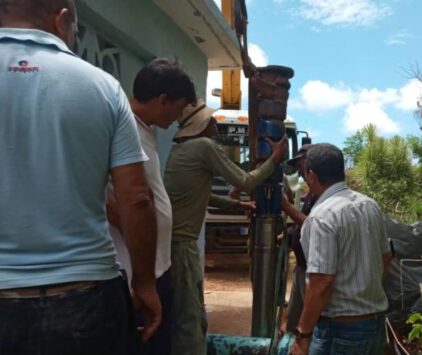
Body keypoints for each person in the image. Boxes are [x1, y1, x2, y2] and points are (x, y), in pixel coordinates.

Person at [0, 1, 161, 354]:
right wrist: (146, 285)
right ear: (61, 20)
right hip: (84, 298)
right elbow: (136, 198)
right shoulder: (102, 87)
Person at [164, 100, 288, 355]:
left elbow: (203, 195)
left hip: (172, 244)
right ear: (203, 125)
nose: (216, 125)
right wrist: (274, 160)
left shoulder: (181, 149)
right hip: (182, 247)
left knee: (190, 316)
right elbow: (245, 180)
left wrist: (238, 206)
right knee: (190, 323)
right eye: (212, 121)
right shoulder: (204, 146)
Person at [107, 58, 197, 355]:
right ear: (162, 101)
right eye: (179, 107)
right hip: (135, 269)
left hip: (157, 266)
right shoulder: (121, 126)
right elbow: (114, 200)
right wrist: (136, 231)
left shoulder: (146, 129)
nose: (179, 116)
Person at [290, 144, 392, 355]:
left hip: (341, 331)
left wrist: (303, 336)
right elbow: (385, 257)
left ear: (311, 175)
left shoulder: (322, 216)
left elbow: (321, 282)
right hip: (375, 324)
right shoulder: (370, 205)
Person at [281, 144, 318, 335]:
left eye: (304, 166)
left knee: (309, 322)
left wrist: (285, 206)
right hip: (301, 266)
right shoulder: (311, 193)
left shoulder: (322, 195)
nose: (302, 172)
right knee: (293, 319)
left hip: (313, 270)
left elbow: (312, 225)